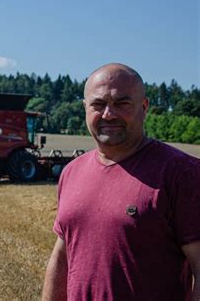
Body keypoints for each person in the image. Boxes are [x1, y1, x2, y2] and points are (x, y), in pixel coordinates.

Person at [41, 63, 200, 301]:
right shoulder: (72, 172)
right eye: (98, 104)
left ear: (144, 107)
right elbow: (62, 255)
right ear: (85, 108)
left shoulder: (182, 173)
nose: (108, 114)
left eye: (121, 103)